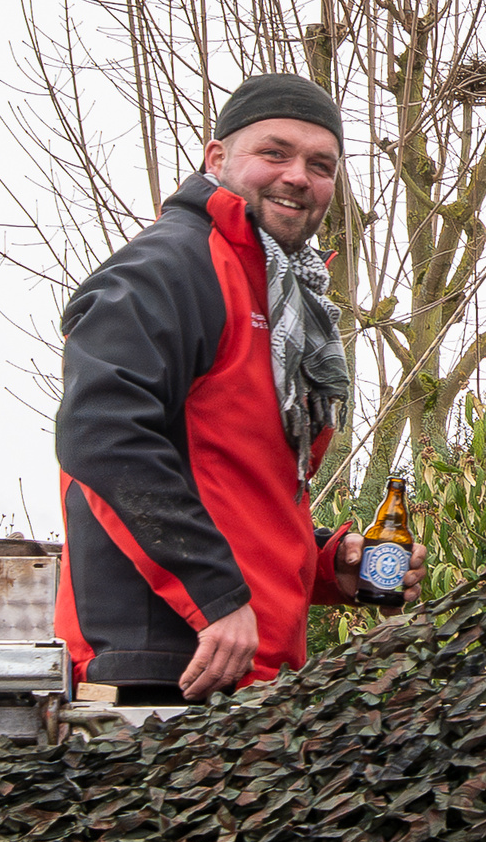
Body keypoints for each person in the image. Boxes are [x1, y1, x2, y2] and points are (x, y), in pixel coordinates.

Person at [55, 73, 420, 703]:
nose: (298, 176)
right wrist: (215, 597)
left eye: (321, 165)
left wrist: (328, 565)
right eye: (275, 153)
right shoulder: (169, 267)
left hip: (252, 672)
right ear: (217, 157)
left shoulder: (285, 296)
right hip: (165, 668)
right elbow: (101, 435)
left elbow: (238, 491)